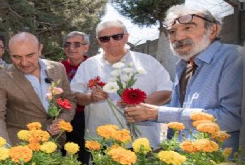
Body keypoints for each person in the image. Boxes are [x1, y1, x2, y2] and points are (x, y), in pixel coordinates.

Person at [125, 5, 242, 152]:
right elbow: (184, 112)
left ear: (213, 30)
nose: (178, 37)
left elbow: (234, 117)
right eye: (172, 32)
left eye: (188, 28)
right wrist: (147, 113)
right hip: (186, 162)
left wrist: (159, 113)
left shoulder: (235, 59)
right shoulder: (183, 66)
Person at [70, 20, 172, 148]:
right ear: (98, 41)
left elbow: (167, 91)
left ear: (126, 36)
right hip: (102, 142)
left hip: (143, 140)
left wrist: (143, 102)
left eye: (117, 36)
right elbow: (74, 95)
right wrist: (90, 97)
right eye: (105, 38)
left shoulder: (148, 62)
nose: (111, 42)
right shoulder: (88, 65)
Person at [0, 32, 76, 146]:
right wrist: (4, 149)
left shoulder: (58, 69)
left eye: (30, 55)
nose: (24, 63)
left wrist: (62, 121)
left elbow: (69, 100)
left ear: (40, 49)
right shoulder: (0, 78)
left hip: (54, 144)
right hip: (20, 147)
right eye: (17, 57)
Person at [61, 31, 90, 164]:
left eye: (77, 44)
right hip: (62, 116)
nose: (71, 48)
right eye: (67, 44)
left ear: (86, 47)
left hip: (83, 117)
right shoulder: (58, 67)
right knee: (58, 153)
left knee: (80, 157)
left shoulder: (93, 66)